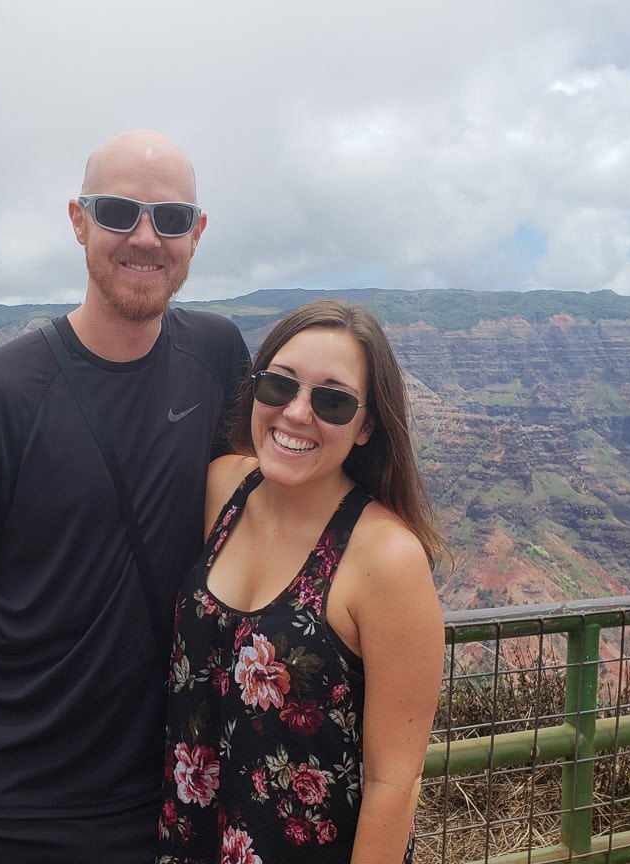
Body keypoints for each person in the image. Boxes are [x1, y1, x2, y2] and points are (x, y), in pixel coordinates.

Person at [0, 130, 250, 864]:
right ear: (79, 220)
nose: (146, 238)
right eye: (119, 212)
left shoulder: (216, 355)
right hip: (5, 802)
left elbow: (264, 515)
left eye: (171, 218)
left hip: (160, 801)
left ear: (198, 233)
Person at [156, 300, 445, 863]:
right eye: (279, 385)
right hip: (192, 841)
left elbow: (394, 783)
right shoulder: (223, 492)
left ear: (366, 428)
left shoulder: (386, 559)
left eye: (332, 401)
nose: (295, 413)